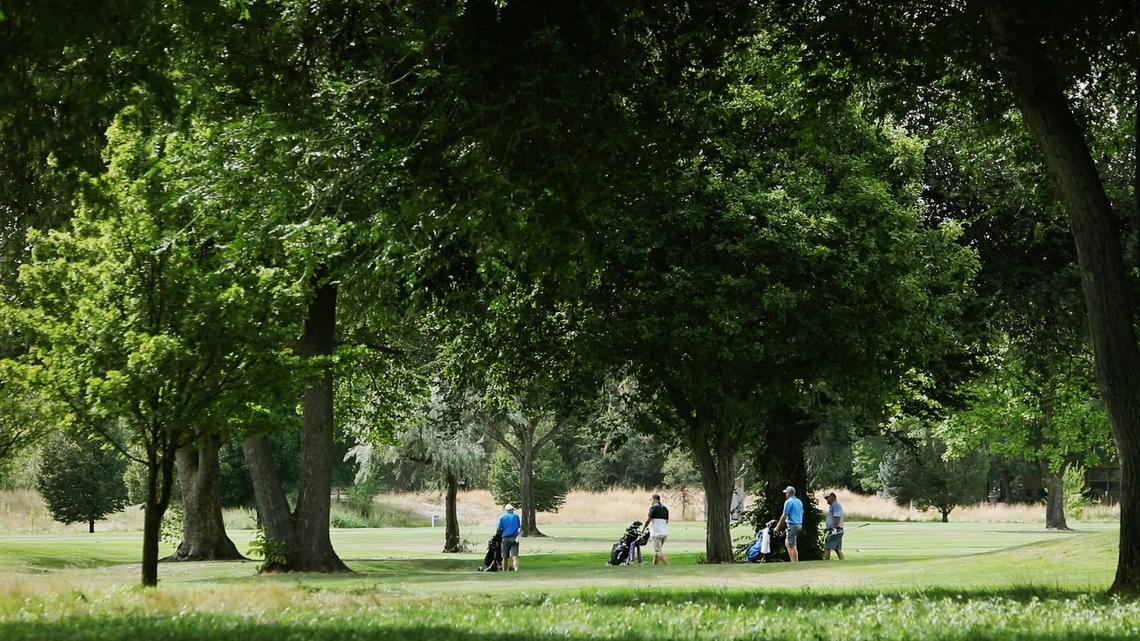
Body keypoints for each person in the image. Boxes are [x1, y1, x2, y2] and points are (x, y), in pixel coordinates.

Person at [773, 485, 803, 563]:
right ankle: (793, 561)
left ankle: (795, 562)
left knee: (791, 545)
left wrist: (777, 527)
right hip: (799, 524)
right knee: (788, 542)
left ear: (789, 493)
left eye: (786, 493)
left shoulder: (788, 502)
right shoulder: (799, 501)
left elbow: (784, 515)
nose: (785, 494)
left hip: (793, 525)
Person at [645, 493, 670, 565]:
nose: (651, 502)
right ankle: (654, 566)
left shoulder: (653, 508)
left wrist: (644, 528)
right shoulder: (665, 509)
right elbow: (666, 521)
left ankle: (668, 565)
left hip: (656, 533)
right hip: (664, 533)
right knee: (656, 552)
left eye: (652, 500)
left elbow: (649, 520)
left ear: (655, 499)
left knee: (658, 552)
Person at [497, 503, 521, 572]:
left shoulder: (502, 517)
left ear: (506, 510)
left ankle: (505, 571)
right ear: (511, 510)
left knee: (505, 557)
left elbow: (499, 529)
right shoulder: (516, 517)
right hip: (515, 538)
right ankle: (516, 570)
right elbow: (519, 527)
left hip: (505, 538)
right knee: (515, 556)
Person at [824, 491, 845, 560]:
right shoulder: (834, 505)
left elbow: (837, 517)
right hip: (837, 530)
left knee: (827, 547)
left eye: (828, 498)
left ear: (833, 497)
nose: (827, 500)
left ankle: (825, 562)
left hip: (836, 530)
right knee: (837, 549)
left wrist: (834, 529)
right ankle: (843, 561)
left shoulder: (835, 505)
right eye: (826, 498)